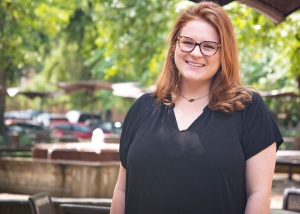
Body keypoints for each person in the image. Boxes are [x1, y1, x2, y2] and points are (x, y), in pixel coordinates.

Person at [110, 1, 283, 214]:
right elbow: (121, 191)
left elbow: (259, 195)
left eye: (209, 46)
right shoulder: (142, 108)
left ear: (224, 53)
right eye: (187, 42)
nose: (196, 53)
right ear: (174, 45)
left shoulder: (249, 110)